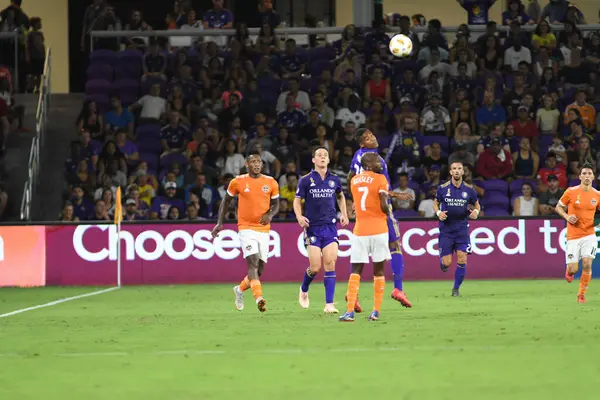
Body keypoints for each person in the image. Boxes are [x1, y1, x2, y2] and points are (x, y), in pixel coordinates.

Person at [349, 128, 412, 310]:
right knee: (395, 246)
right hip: (378, 208)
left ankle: (353, 294)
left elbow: (351, 177)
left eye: (372, 134)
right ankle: (398, 289)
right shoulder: (369, 158)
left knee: (360, 255)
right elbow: (374, 185)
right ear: (362, 143)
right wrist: (394, 195)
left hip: (365, 210)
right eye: (367, 137)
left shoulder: (360, 156)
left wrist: (354, 199)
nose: (373, 137)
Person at [212, 153, 280, 313]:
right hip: (245, 228)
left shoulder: (271, 182)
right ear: (246, 164)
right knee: (253, 263)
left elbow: (276, 204)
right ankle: (259, 298)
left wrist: (270, 214)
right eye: (253, 162)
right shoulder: (237, 182)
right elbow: (226, 201)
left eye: (259, 162)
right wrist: (219, 223)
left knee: (260, 269)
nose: (256, 164)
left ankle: (240, 290)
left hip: (263, 229)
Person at [294, 147, 349, 313]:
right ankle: (304, 289)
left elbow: (340, 196)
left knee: (330, 264)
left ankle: (329, 304)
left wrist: (344, 213)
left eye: (325, 155)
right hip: (312, 228)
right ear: (313, 160)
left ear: (328, 160)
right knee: (315, 267)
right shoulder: (305, 180)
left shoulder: (335, 180)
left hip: (330, 227)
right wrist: (299, 216)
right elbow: (297, 200)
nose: (323, 157)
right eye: (319, 155)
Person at [340, 153, 392, 322]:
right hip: (379, 229)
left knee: (356, 271)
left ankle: (349, 312)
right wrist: (387, 210)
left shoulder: (354, 181)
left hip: (360, 230)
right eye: (377, 160)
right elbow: (384, 203)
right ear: (369, 164)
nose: (380, 162)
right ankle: (375, 311)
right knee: (379, 271)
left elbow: (355, 196)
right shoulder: (380, 178)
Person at [433, 162, 481, 297]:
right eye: (454, 169)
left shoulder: (469, 189)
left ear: (463, 172)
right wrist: (438, 213)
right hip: (446, 229)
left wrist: (476, 212)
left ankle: (456, 289)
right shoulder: (442, 188)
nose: (457, 171)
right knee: (447, 263)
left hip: (462, 229)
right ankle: (443, 263)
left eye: (459, 169)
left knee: (462, 259)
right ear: (450, 172)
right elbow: (435, 203)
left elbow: (477, 205)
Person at [556, 162, 600, 303]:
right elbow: (558, 207)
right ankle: (569, 272)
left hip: (589, 234)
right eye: (584, 173)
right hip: (573, 236)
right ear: (580, 176)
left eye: (589, 173)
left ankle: (581, 295)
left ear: (593, 177)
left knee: (587, 263)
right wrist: (568, 216)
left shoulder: (597, 195)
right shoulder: (571, 191)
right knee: (573, 269)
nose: (587, 176)